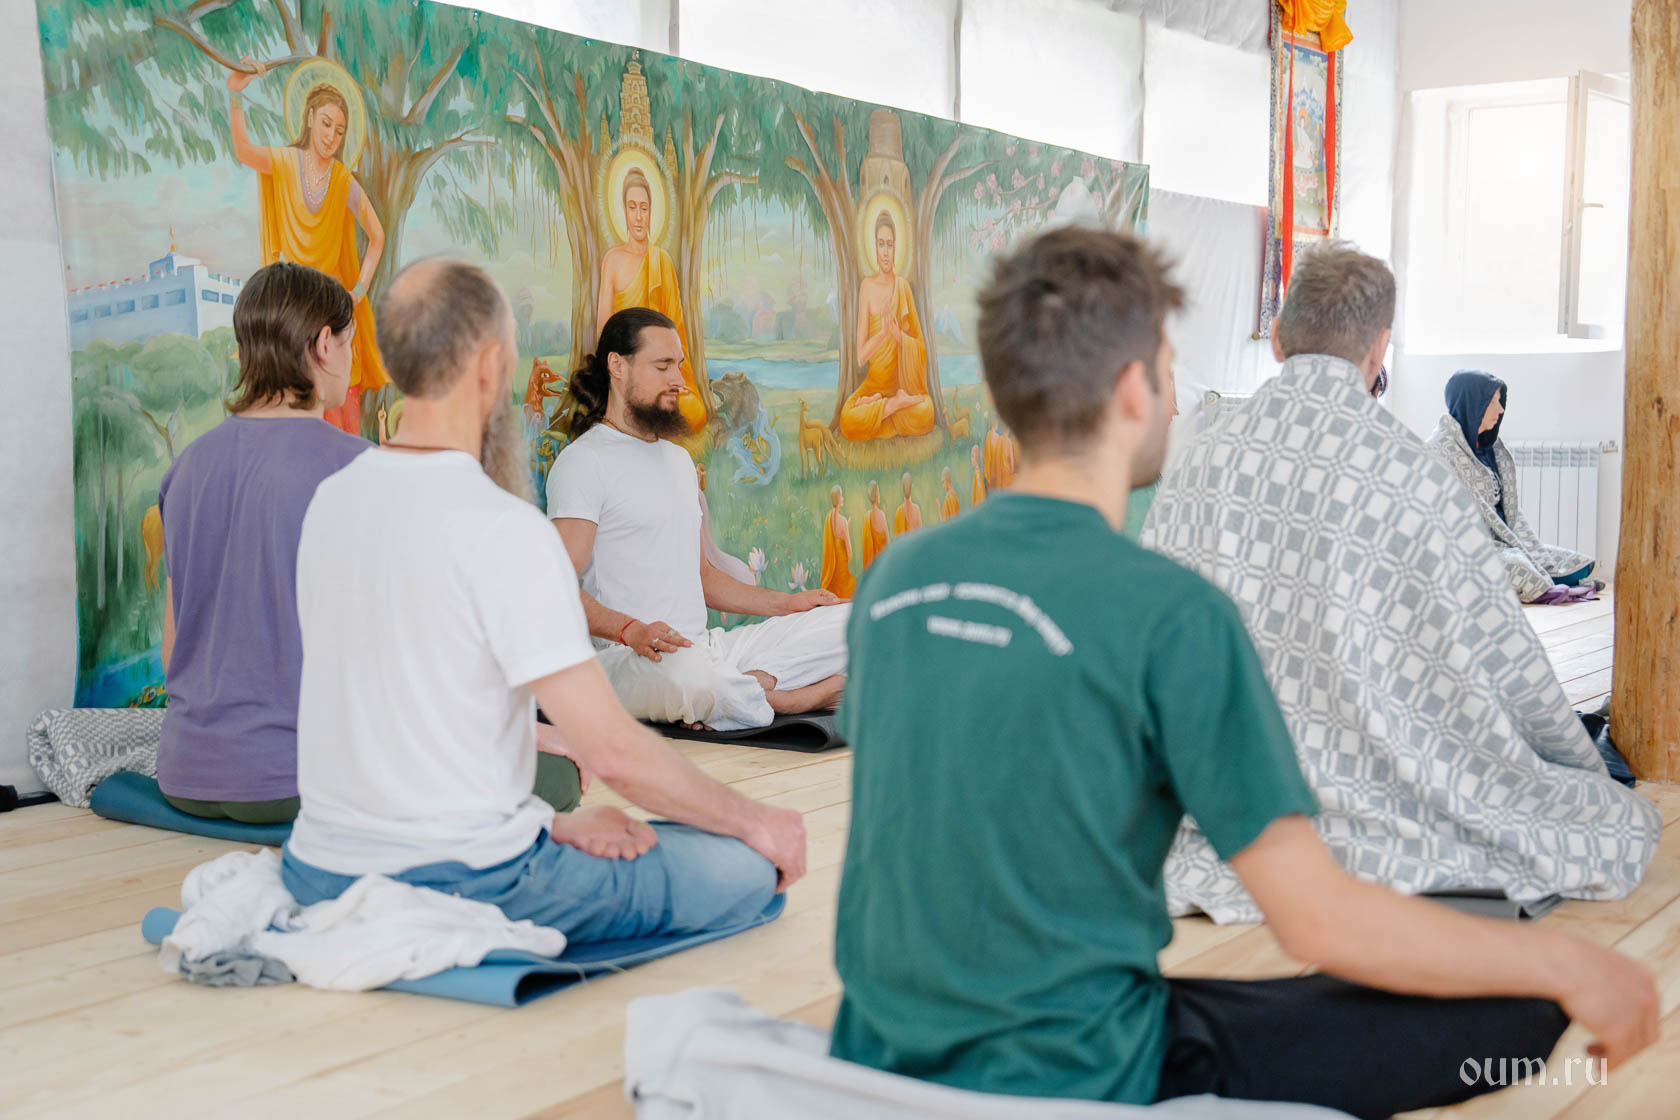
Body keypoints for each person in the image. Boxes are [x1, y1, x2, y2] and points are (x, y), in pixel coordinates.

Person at [830, 227, 1659, 1118]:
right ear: (1133, 390)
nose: (1177, 401)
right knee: (1517, 1008)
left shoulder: (895, 577)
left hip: (875, 1049)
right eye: (1169, 371)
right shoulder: (1168, 611)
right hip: (1079, 1067)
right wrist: (1562, 962)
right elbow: (1317, 920)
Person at [282, 259, 805, 944]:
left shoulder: (332, 499)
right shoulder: (503, 528)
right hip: (464, 875)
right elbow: (613, 753)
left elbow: (402, 705)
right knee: (746, 863)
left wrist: (549, 822)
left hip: (317, 864)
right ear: (490, 365)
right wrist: (759, 822)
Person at [1142, 242, 1659, 925]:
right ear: (1379, 349)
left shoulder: (1199, 461)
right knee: (1592, 820)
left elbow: (1153, 636)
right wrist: (1572, 757)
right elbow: (1500, 650)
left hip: (1224, 784)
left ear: (1278, 337)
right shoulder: (1410, 471)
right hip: (1381, 784)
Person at [547, 307, 849, 732]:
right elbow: (554, 586)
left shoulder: (678, 461)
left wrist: (787, 605)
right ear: (617, 366)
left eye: (679, 365)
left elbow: (702, 577)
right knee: (688, 677)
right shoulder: (584, 463)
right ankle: (796, 697)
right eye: (662, 366)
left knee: (855, 620)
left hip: (705, 649)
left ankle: (746, 691)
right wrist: (631, 630)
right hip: (629, 659)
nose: (679, 380)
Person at [156, 261, 369, 825]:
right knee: (552, 771)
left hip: (186, 777)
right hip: (297, 781)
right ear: (324, 344)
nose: (351, 360)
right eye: (349, 343)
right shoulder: (360, 468)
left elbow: (173, 654)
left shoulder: (185, 467)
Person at [228, 61, 389, 436]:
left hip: (332, 315)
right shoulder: (286, 163)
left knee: (340, 424)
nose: (331, 136)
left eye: (340, 131)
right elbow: (243, 151)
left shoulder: (343, 181)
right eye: (326, 124)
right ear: (310, 119)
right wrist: (235, 93)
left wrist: (357, 291)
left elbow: (377, 237)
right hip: (294, 316)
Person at [1425, 370, 1598, 603]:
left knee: (1576, 564)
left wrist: (1527, 547)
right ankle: (1542, 583)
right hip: (1467, 548)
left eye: (1500, 401)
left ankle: (1546, 581)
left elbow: (1510, 508)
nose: (1500, 410)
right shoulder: (1439, 451)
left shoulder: (1491, 448)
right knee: (1520, 567)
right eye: (1492, 402)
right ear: (1473, 403)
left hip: (1504, 542)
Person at [597, 168, 706, 433]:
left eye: (644, 208)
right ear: (623, 211)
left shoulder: (662, 261)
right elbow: (603, 333)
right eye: (632, 207)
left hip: (662, 370)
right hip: (626, 369)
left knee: (696, 413)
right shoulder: (613, 260)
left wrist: (676, 376)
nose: (638, 216)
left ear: (651, 212)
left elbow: (677, 331)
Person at [839, 210, 936, 441]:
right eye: (881, 244)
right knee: (846, 419)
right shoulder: (866, 287)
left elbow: (920, 348)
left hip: (901, 387)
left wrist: (898, 335)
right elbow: (861, 356)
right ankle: (892, 406)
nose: (885, 252)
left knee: (926, 413)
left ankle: (881, 410)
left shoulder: (903, 288)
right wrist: (883, 334)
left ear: (895, 249)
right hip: (873, 386)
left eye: (889, 245)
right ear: (874, 246)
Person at [819, 485, 856, 599]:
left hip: (832, 577)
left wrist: (846, 529)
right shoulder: (842, 521)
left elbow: (836, 540)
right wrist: (846, 530)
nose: (843, 498)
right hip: (842, 576)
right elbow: (850, 555)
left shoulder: (828, 518)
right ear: (838, 498)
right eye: (841, 496)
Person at [860, 480, 890, 569]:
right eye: (878, 492)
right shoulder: (881, 515)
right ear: (876, 494)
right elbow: (887, 542)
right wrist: (883, 516)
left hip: (872, 566)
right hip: (882, 563)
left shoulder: (866, 517)